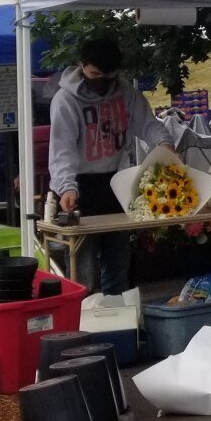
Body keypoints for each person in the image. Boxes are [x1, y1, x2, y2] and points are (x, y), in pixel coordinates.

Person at [49, 36, 160, 294]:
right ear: (82, 66)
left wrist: (163, 143)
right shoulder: (65, 101)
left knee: (118, 268)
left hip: (114, 183)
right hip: (78, 187)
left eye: (108, 75)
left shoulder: (126, 94)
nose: (101, 81)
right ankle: (82, 328)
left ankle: (118, 324)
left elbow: (148, 124)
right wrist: (67, 188)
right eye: (94, 73)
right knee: (82, 275)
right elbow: (61, 150)